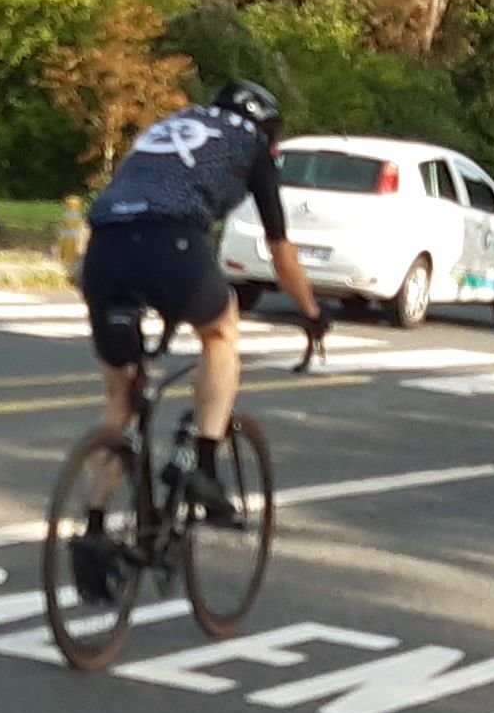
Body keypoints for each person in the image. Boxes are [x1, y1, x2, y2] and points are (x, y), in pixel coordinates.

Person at [80, 77, 317, 519]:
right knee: (221, 333)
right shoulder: (252, 144)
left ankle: (93, 528)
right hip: (172, 243)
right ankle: (204, 463)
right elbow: (281, 253)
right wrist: (311, 312)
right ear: (267, 127)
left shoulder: (167, 125)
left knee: (120, 401)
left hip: (104, 246)